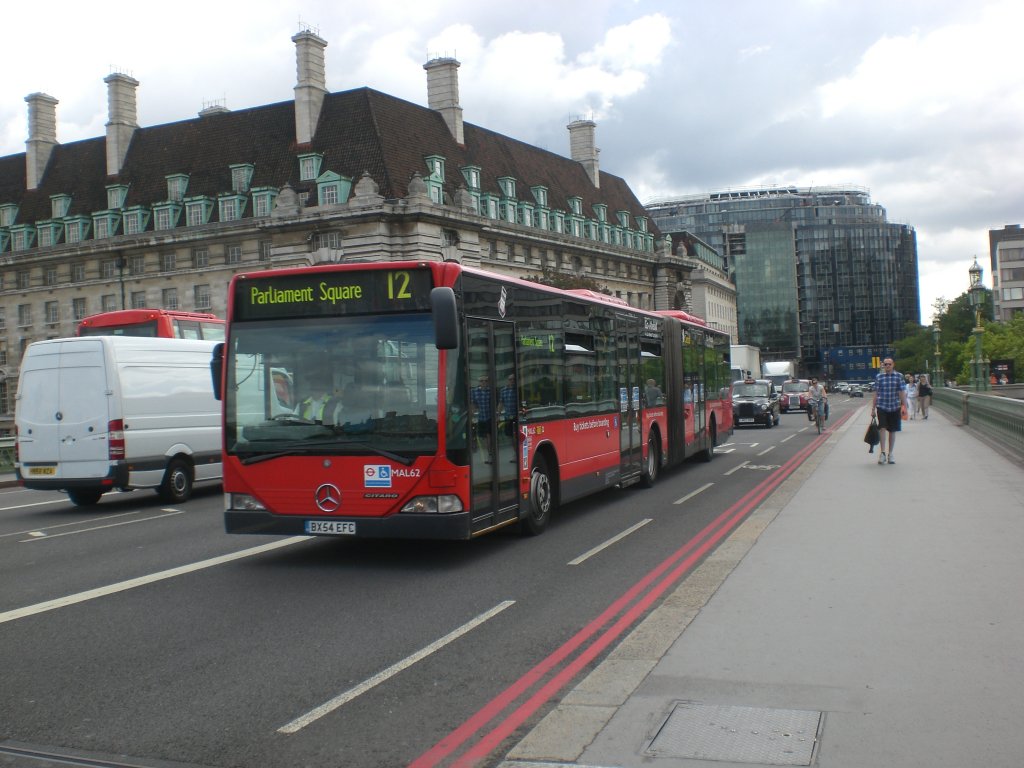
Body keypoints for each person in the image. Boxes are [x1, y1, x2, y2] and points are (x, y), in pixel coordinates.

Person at [871, 358, 908, 465]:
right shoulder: (879, 377)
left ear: (893, 365)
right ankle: (882, 453)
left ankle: (890, 453)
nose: (887, 366)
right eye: (885, 364)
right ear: (883, 365)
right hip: (882, 406)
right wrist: (873, 409)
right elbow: (876, 393)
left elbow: (901, 392)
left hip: (895, 406)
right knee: (882, 428)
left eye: (889, 364)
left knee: (892, 430)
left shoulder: (898, 376)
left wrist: (904, 407)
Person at [470, 374, 495, 461]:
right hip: (481, 417)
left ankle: (490, 452)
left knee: (489, 435)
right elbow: (473, 404)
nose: (484, 382)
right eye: (481, 381)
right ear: (479, 382)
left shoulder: (491, 391)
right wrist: (472, 413)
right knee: (482, 436)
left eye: (485, 381)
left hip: (489, 417)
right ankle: (487, 451)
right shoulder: (474, 391)